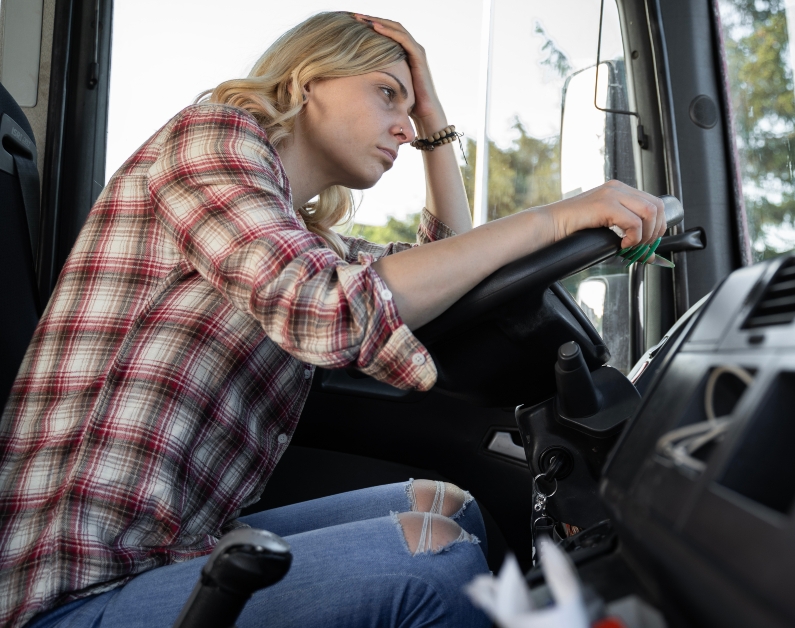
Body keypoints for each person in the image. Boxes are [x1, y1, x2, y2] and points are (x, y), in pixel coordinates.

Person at [0, 11, 667, 628]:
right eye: (387, 94)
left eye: (412, 110)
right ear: (308, 79)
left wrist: (434, 124)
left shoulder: (296, 233)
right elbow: (326, 306)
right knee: (431, 560)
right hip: (76, 584)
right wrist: (557, 216)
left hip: (168, 552)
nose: (405, 127)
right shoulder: (210, 137)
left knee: (447, 504)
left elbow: (453, 269)